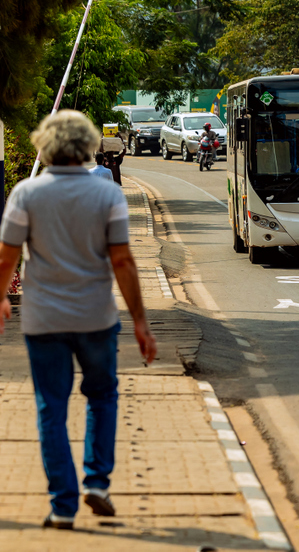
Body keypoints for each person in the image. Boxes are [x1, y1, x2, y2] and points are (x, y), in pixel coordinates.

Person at [0, 111, 156, 530]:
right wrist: (140, 322)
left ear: (44, 146)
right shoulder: (107, 194)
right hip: (96, 317)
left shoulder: (25, 193)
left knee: (51, 407)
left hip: (43, 319)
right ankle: (97, 483)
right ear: (88, 146)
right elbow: (122, 260)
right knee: (102, 397)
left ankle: (62, 506)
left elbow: (6, 257)